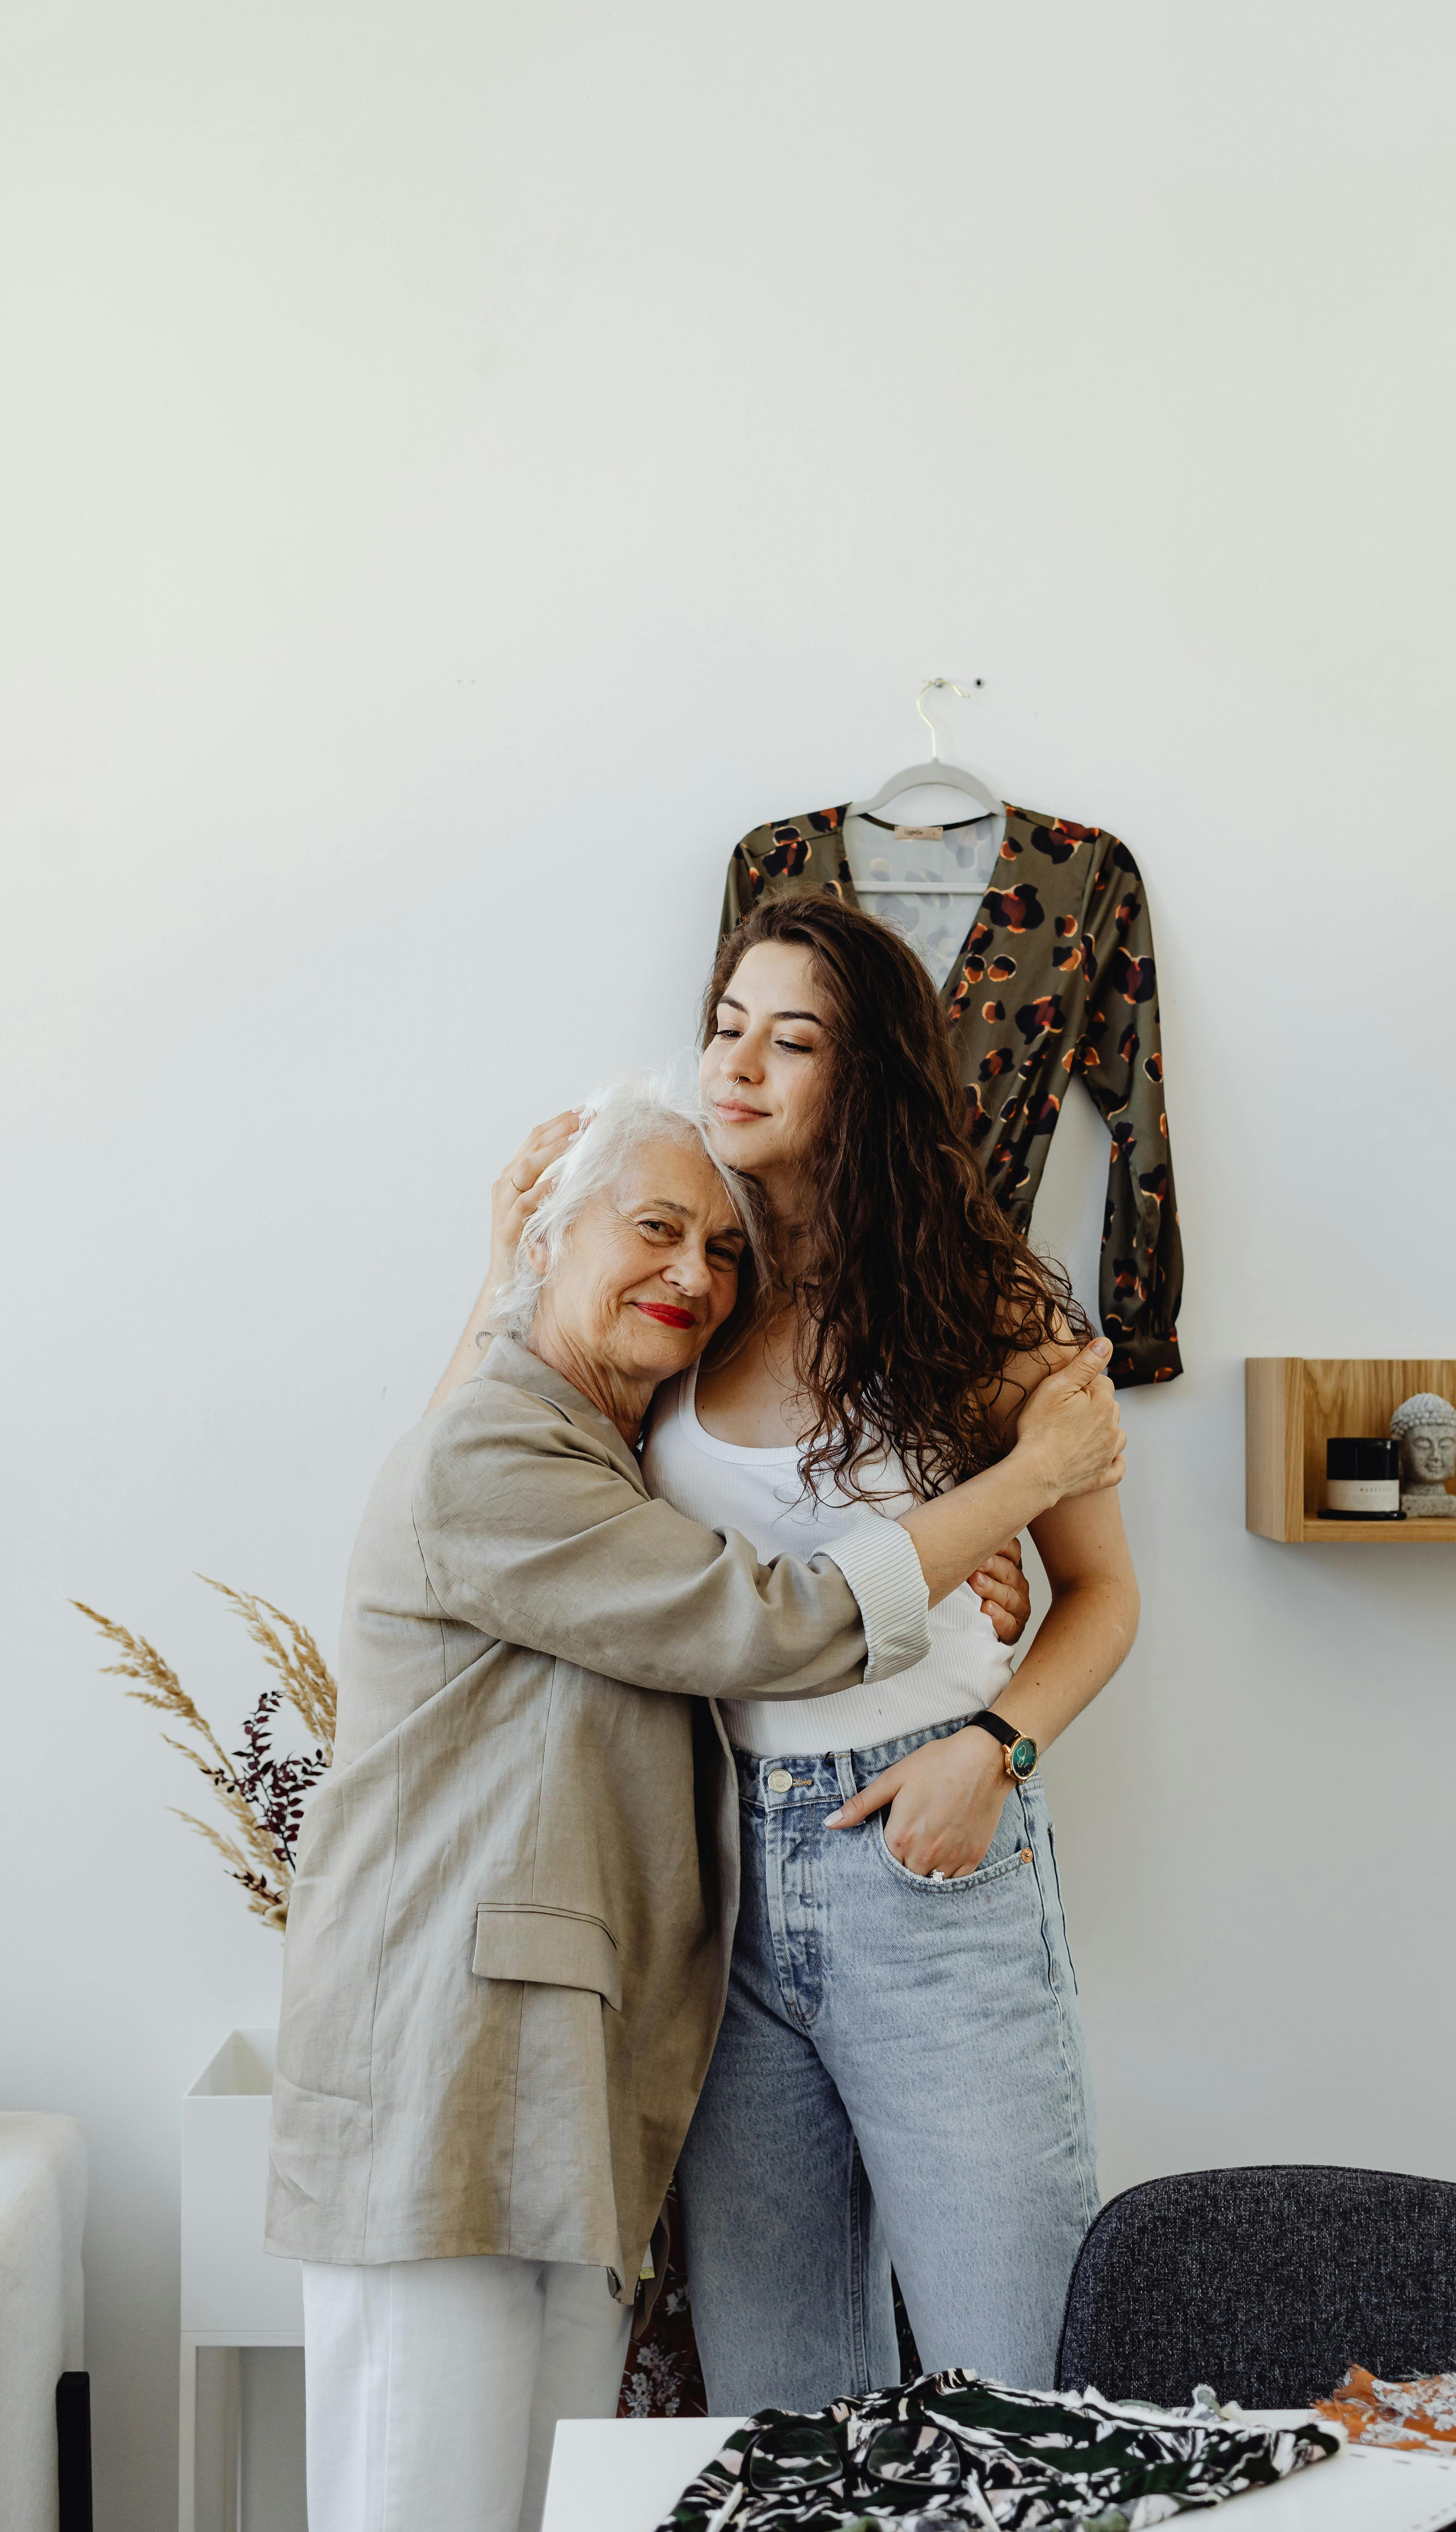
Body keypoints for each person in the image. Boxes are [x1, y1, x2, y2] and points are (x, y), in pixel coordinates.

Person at [272, 1074, 1123, 2532]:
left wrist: (961, 1589)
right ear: (550, 1234)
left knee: (550, 2491)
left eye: (726, 1252)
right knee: (427, 2497)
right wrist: (1023, 1483)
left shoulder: (610, 1445)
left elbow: (769, 1541)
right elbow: (765, 1620)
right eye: (657, 1228)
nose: (696, 1273)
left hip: (561, 2087)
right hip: (444, 2088)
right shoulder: (499, 1450)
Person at [447, 895, 1140, 2414]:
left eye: (794, 1036)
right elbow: (500, 1476)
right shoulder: (699, 1287)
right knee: (782, 2402)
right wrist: (509, 1253)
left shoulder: (989, 1306)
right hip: (713, 1875)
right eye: (726, 1025)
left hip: (928, 1857)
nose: (739, 1061)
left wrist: (994, 1749)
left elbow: (1098, 1596)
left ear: (872, 1073)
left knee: (1008, 2379)